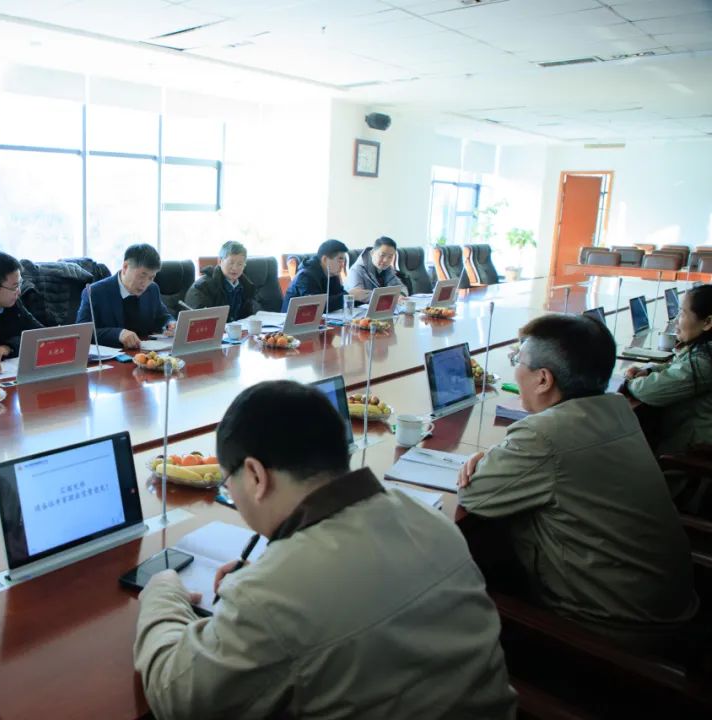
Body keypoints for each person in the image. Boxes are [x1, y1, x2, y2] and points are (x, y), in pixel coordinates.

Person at [134, 380, 517, 719]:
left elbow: (176, 698)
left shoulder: (273, 596)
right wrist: (262, 587)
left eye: (226, 481)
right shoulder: (428, 518)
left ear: (254, 475)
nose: (229, 490)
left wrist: (163, 593)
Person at [458, 314, 697, 651]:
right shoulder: (617, 408)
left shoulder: (543, 436)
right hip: (668, 605)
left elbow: (475, 496)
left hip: (613, 632)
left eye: (517, 361)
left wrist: (490, 459)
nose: (515, 369)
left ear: (543, 379)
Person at [624, 285, 712, 462]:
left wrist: (630, 381)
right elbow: (678, 366)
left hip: (694, 454)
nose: (676, 321)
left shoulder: (704, 362)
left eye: (683, 314)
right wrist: (649, 370)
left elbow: (649, 391)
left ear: (707, 322)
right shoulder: (703, 351)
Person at [76, 243, 174, 349]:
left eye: (151, 278)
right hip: (112, 356)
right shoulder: (94, 292)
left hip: (145, 354)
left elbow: (162, 317)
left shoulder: (152, 289)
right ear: (125, 267)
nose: (145, 283)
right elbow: (82, 333)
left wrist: (170, 324)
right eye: (142, 275)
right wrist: (118, 334)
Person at [183, 241, 260, 321]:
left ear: (244, 265)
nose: (235, 268)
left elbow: (250, 317)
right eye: (231, 263)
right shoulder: (201, 287)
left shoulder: (247, 287)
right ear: (220, 261)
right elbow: (197, 320)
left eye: (240, 264)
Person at [281, 239, 350, 313]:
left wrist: (356, 297)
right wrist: (348, 296)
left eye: (343, 260)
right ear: (325, 259)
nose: (342, 265)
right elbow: (316, 306)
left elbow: (338, 296)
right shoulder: (306, 276)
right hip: (290, 319)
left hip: (317, 318)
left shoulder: (332, 274)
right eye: (340, 260)